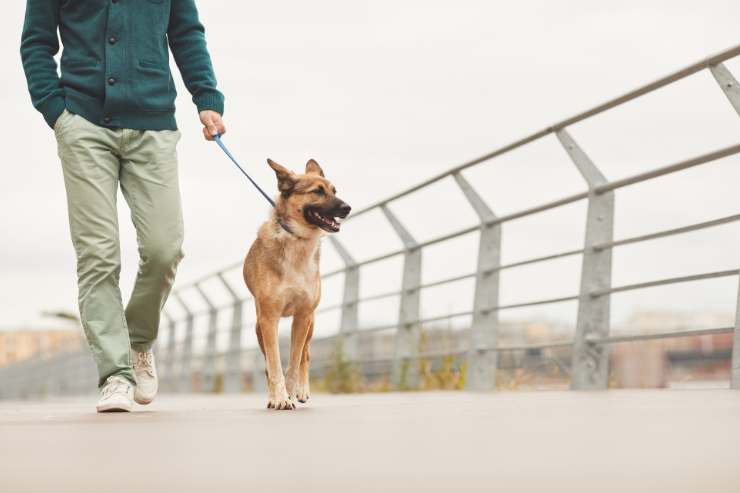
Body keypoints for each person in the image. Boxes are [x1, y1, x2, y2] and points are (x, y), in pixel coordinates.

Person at [20, 0, 226, 412]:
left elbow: (186, 33)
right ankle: (115, 374)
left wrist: (205, 96)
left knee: (165, 247)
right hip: (81, 123)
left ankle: (138, 342)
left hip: (154, 125)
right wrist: (55, 111)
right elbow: (37, 44)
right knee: (98, 254)